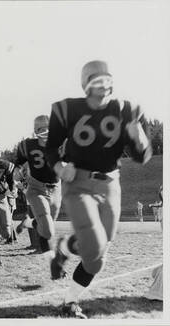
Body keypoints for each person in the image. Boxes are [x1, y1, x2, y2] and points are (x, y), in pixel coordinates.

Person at [45, 60, 152, 318]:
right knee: (94, 250)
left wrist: (139, 138)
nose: (103, 87)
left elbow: (142, 156)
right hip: (79, 182)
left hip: (110, 184)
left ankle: (66, 262)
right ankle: (69, 301)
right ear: (86, 86)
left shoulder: (128, 109)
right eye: (96, 83)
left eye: (106, 81)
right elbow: (50, 148)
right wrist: (59, 167)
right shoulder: (67, 109)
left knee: (99, 251)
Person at [14, 115, 62, 257]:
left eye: (48, 128)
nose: (45, 131)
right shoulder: (27, 145)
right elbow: (18, 161)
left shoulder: (61, 143)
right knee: (47, 229)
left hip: (56, 189)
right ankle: (50, 257)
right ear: (35, 131)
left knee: (47, 224)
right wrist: (16, 170)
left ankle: (29, 223)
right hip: (36, 188)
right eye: (41, 129)